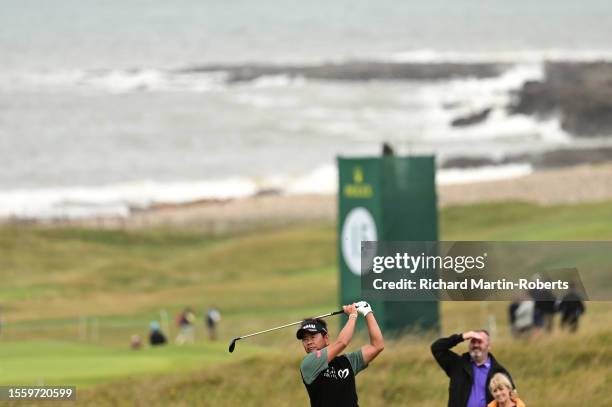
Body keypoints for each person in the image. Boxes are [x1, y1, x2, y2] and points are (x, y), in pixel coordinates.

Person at [298, 301, 384, 407]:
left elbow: (377, 346)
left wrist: (367, 312)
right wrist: (352, 315)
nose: (309, 342)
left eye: (313, 337)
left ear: (326, 338)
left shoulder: (347, 362)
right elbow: (342, 342)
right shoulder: (309, 363)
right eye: (305, 339)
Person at [431, 330, 514, 407]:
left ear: (488, 347)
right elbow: (437, 348)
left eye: (480, 342)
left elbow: (513, 399)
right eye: (473, 341)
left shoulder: (499, 372)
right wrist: (461, 337)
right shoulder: (457, 365)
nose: (476, 345)